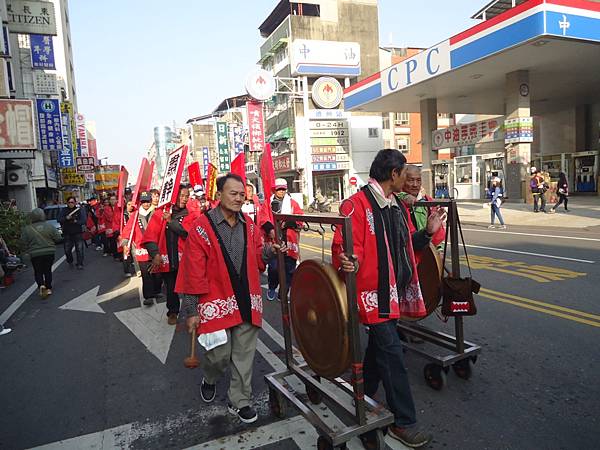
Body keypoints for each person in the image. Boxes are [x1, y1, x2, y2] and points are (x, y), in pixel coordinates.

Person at [332, 149, 432, 448]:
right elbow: (347, 247)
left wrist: (427, 232)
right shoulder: (356, 205)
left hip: (392, 292)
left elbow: (406, 245)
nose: (409, 180)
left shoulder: (396, 206)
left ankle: (362, 392)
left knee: (379, 350)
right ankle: (403, 423)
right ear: (393, 174)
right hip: (372, 295)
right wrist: (349, 260)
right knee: (393, 354)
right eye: (405, 174)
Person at [176, 173, 273, 424]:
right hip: (214, 301)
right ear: (219, 195)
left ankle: (239, 400)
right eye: (233, 193)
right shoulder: (202, 227)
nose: (239, 198)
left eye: (242, 194)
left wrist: (270, 252)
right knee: (218, 355)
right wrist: (191, 310)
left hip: (246, 300)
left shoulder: (250, 226)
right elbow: (191, 272)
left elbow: (257, 260)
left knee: (244, 355)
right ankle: (210, 377)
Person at [142, 184, 197, 325]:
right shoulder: (160, 213)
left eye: (187, 196)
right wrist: (155, 254)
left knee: (191, 287)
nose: (184, 199)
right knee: (170, 287)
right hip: (167, 260)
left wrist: (171, 222)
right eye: (181, 196)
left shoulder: (190, 214)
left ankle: (193, 312)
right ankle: (173, 312)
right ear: (173, 196)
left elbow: (188, 233)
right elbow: (150, 237)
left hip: (185, 259)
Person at [259, 178, 303, 301]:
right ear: (275, 190)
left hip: (289, 241)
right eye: (279, 189)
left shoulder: (293, 203)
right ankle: (272, 287)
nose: (282, 192)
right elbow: (263, 218)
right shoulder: (268, 203)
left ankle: (283, 293)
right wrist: (270, 229)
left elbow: (299, 218)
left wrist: (288, 223)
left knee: (289, 270)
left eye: (284, 189)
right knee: (273, 268)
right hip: (274, 241)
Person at [398, 165, 446, 259]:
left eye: (418, 180)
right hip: (407, 259)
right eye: (411, 180)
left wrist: (440, 251)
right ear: (402, 180)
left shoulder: (429, 202)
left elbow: (439, 234)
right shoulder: (395, 201)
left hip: (426, 261)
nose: (415, 184)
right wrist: (402, 196)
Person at [122, 191, 161, 305]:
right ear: (140, 202)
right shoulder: (135, 215)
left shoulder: (157, 213)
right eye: (143, 202)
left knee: (157, 272)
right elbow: (128, 231)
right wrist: (125, 244)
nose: (146, 204)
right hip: (141, 247)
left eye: (148, 201)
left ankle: (157, 290)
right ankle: (148, 296)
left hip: (156, 246)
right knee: (145, 273)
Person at [21, 208, 61, 298]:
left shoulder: (27, 229)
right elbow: (58, 238)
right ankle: (48, 287)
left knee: (38, 271)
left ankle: (41, 285)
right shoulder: (49, 226)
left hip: (35, 254)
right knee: (47, 270)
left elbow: (23, 242)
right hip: (49, 252)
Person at [58, 196, 86, 269]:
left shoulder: (79, 210)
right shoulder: (63, 210)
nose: (71, 204)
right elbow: (59, 219)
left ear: (75, 203)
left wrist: (76, 221)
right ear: (67, 203)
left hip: (77, 232)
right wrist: (66, 218)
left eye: (72, 202)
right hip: (67, 233)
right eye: (69, 202)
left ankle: (80, 263)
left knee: (79, 249)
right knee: (67, 250)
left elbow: (83, 220)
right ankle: (70, 260)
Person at [121, 200, 136, 276]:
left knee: (135, 252)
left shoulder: (136, 213)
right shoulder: (123, 214)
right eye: (129, 204)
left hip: (134, 235)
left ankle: (137, 269)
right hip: (125, 235)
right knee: (126, 253)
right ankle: (127, 270)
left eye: (132, 204)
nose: (130, 206)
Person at [102, 194, 119, 259]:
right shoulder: (106, 208)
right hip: (110, 228)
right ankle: (115, 255)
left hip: (118, 227)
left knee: (118, 242)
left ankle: (119, 255)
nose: (113, 201)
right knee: (113, 242)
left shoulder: (119, 207)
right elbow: (110, 218)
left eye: (114, 199)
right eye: (111, 200)